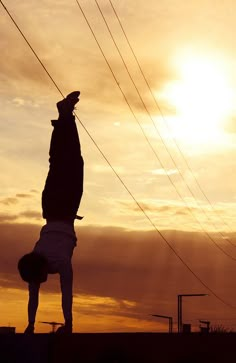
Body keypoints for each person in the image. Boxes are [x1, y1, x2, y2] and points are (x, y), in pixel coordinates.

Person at [18, 91, 84, 334]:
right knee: (57, 161)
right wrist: (31, 324)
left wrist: (69, 324)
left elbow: (67, 293)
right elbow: (33, 299)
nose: (36, 285)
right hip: (49, 207)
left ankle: (66, 116)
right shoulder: (36, 257)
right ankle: (64, 115)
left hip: (66, 209)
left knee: (74, 162)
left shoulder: (61, 263)